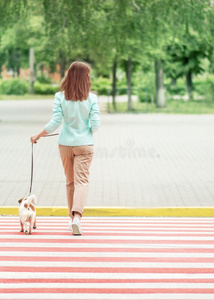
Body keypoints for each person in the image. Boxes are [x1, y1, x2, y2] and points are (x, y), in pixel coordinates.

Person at [30, 61, 100, 235]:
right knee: (82, 181)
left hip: (65, 145)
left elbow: (55, 123)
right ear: (86, 78)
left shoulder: (60, 96)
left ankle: (71, 219)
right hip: (85, 144)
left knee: (70, 182)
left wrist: (38, 135)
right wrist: (87, 130)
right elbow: (96, 124)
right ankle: (77, 218)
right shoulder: (92, 98)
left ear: (69, 76)